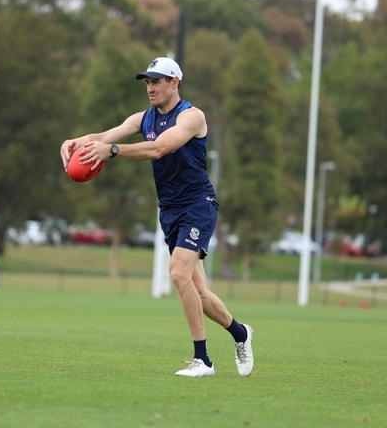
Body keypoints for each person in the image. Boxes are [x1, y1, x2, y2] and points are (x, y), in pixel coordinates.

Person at [60, 56, 254, 378]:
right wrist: (76, 142)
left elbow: (159, 149)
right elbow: (109, 135)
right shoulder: (144, 118)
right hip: (170, 210)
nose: (150, 87)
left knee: (177, 274)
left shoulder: (192, 117)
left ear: (174, 82)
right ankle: (241, 334)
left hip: (198, 204)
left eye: (157, 81)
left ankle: (202, 360)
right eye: (147, 82)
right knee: (200, 294)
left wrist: (115, 152)